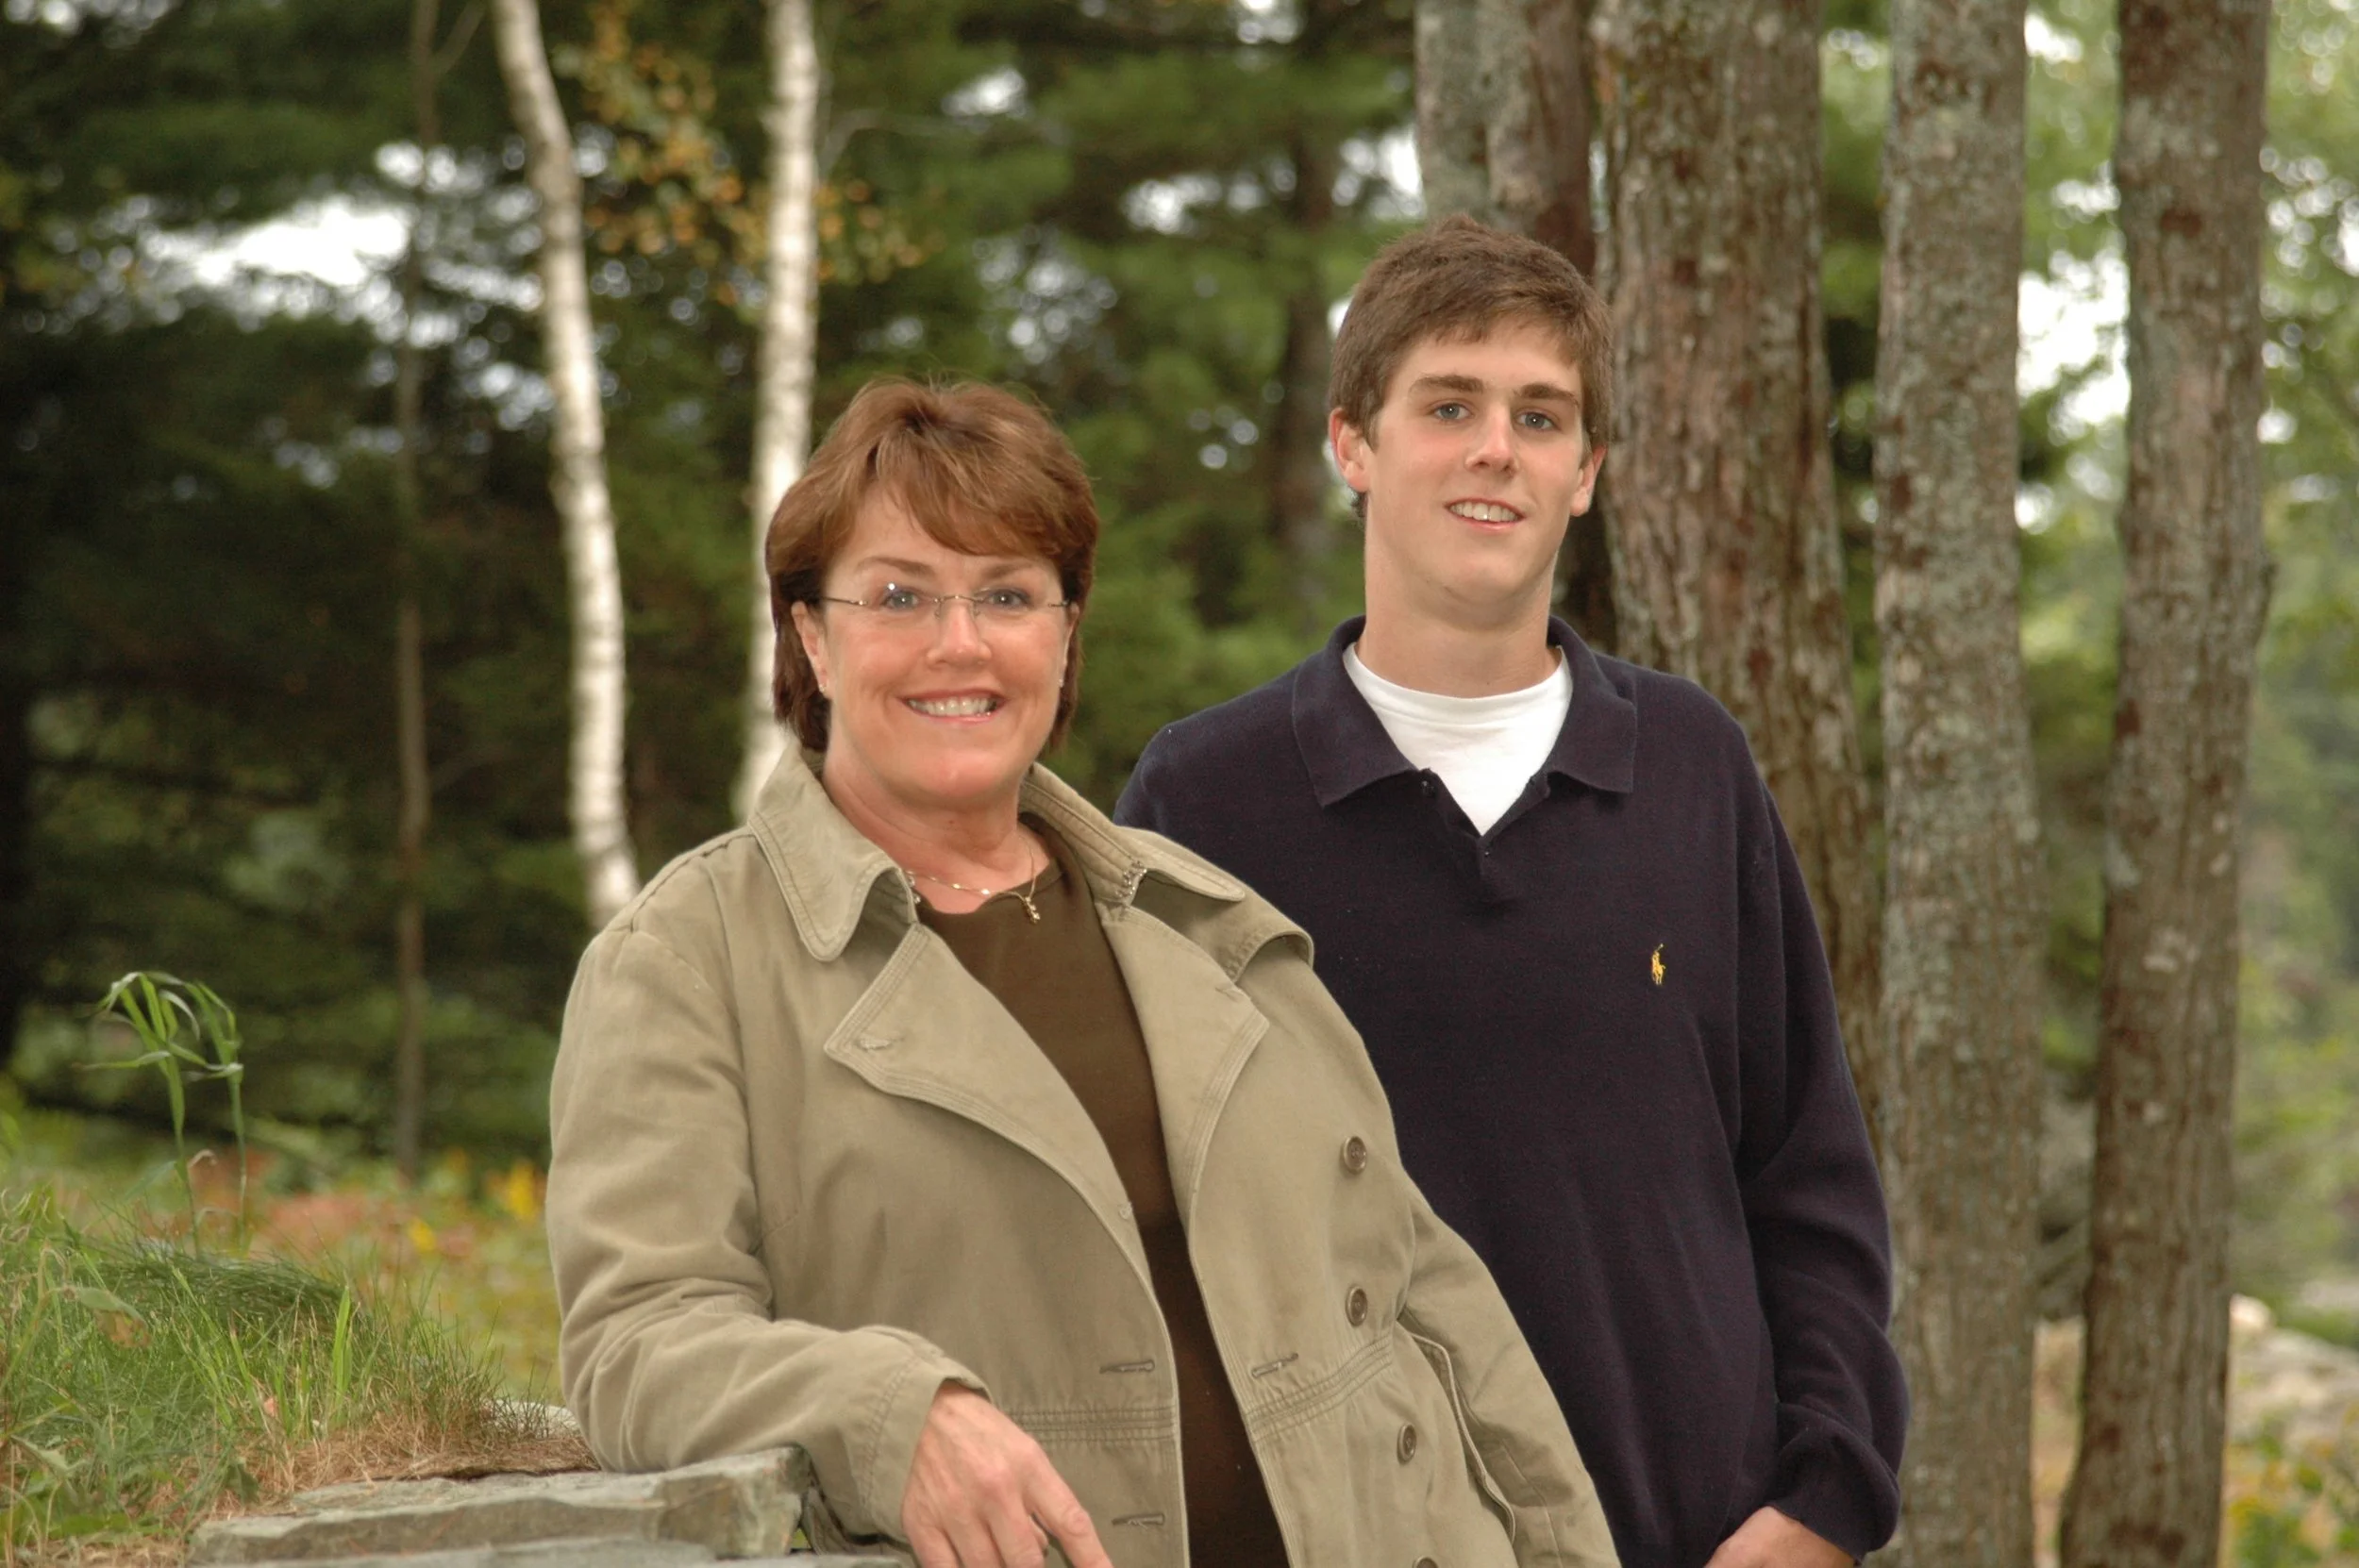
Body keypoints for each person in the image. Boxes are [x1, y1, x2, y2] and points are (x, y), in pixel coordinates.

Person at [545, 375, 1620, 1568]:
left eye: (1008, 594)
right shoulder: (685, 962)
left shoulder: (1200, 917)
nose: (959, 643)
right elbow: (637, 1346)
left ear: (1063, 636)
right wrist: (889, 1415)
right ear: (811, 636)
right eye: (899, 595)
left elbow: (1424, 1291)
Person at [1115, 217, 1908, 1568]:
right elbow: (1151, 1228)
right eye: (1449, 405)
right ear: (1352, 444)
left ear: (1585, 472)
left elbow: (1807, 1176)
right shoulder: (1206, 803)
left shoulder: (1691, 766)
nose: (1497, 448)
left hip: (1700, 1538)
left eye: (1540, 417)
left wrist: (1824, 1496)